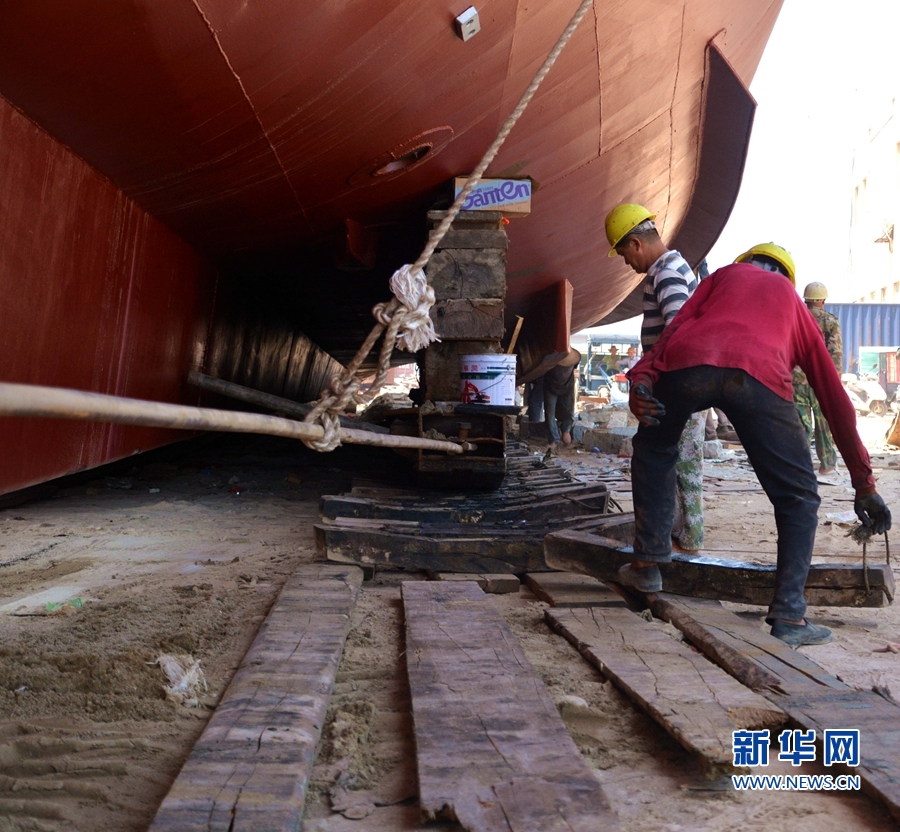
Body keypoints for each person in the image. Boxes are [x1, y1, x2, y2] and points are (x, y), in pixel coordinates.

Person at [618, 253, 890, 646]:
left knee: (655, 446)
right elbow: (833, 398)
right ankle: (789, 618)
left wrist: (641, 382)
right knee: (797, 496)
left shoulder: (724, 277)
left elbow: (675, 331)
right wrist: (863, 483)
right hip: (758, 374)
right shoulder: (790, 300)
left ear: (747, 263)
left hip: (688, 366)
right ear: (786, 276)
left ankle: (647, 563)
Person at [605, 202, 703, 553]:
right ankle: (676, 540)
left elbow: (677, 331)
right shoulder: (672, 268)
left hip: (678, 388)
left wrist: (649, 376)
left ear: (636, 244)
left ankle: (686, 545)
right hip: (676, 385)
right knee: (675, 465)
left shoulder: (666, 272)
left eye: (623, 255)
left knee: (680, 468)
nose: (626, 263)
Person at [792, 281, 842, 475]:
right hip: (820, 380)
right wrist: (834, 382)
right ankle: (827, 463)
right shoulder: (830, 321)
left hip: (796, 380)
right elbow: (835, 353)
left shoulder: (796, 318)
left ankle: (801, 466)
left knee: (801, 424)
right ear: (822, 300)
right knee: (823, 423)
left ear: (806, 299)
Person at [543, 347, 581, 449]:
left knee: (569, 410)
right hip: (550, 386)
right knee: (550, 413)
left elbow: (570, 413)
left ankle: (565, 430)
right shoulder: (550, 361)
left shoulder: (573, 361)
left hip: (568, 386)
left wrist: (566, 430)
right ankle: (554, 439)